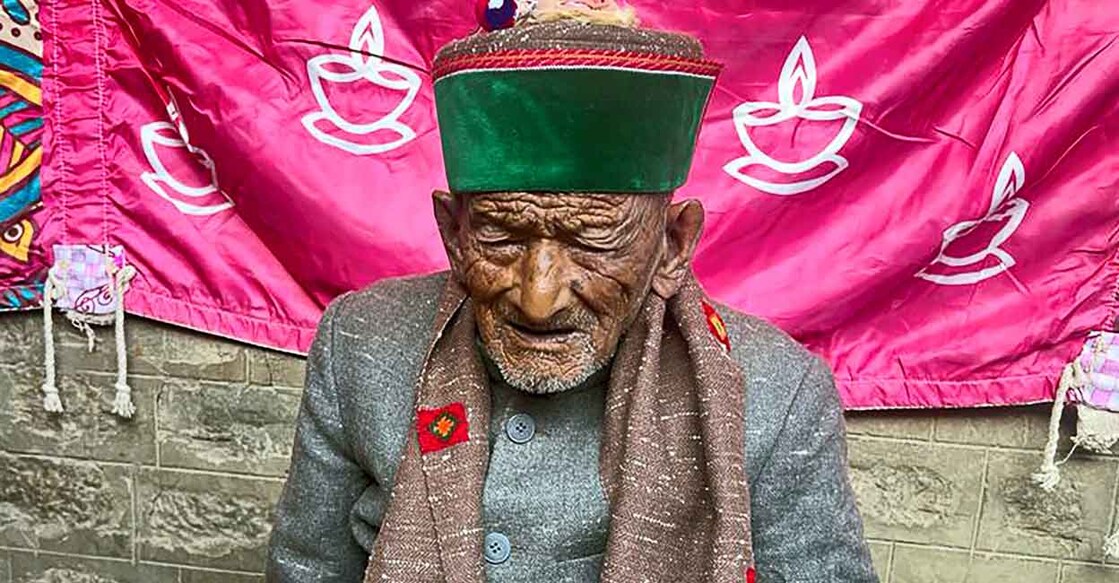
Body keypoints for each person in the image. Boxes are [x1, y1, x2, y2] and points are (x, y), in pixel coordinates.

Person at [267, 4, 877, 582]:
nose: (539, 299)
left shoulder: (777, 395)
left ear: (672, 246)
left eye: (591, 243)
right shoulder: (359, 343)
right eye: (502, 237)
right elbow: (307, 569)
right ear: (454, 235)